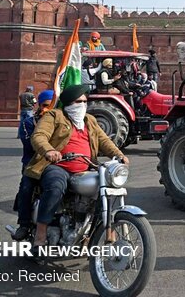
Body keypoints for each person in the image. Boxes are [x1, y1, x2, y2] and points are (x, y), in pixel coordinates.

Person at [25, 85, 128, 252]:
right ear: (68, 103)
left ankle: (95, 231)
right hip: (58, 166)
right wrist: (49, 150)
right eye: (78, 101)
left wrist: (119, 155)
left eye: (85, 102)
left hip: (86, 167)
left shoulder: (90, 120)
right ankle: (41, 233)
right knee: (56, 186)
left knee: (108, 188)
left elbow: (104, 141)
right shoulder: (54, 116)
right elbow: (39, 136)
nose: (82, 105)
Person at [11, 89, 54, 240]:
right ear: (39, 105)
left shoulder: (61, 123)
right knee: (26, 188)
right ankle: (24, 224)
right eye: (45, 105)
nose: (47, 109)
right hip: (33, 164)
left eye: (52, 106)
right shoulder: (29, 123)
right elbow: (31, 145)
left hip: (56, 165)